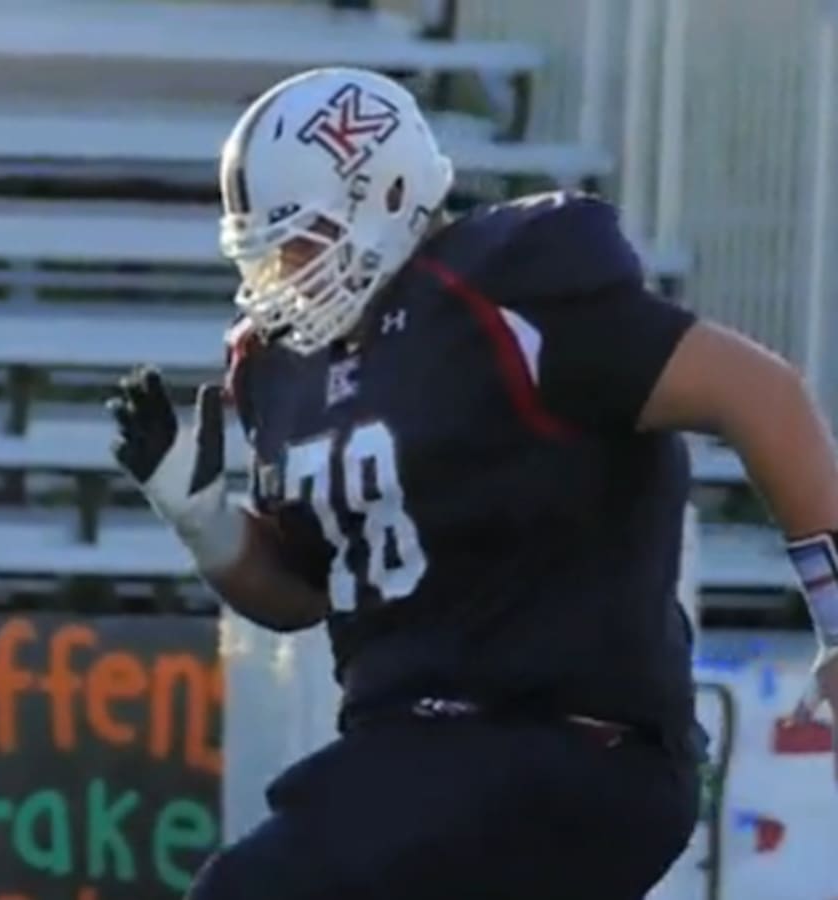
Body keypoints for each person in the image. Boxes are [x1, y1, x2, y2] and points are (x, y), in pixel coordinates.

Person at [107, 67, 838, 899]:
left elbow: (760, 395)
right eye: (267, 252)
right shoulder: (281, 370)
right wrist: (204, 520)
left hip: (570, 746)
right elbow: (304, 593)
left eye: (302, 239)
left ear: (383, 193)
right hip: (415, 758)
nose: (282, 273)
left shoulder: (512, 294)